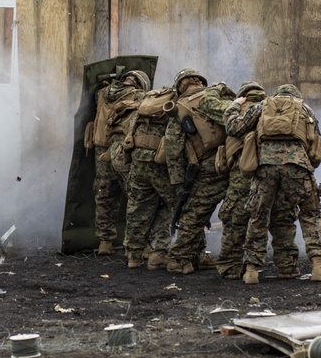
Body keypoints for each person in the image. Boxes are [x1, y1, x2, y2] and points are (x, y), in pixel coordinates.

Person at [225, 83, 321, 284]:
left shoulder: (263, 106)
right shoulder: (306, 109)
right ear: (296, 96)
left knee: (258, 216)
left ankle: (251, 271)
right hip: (297, 165)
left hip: (264, 166)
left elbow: (233, 128)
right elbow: (315, 147)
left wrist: (234, 106)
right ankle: (319, 267)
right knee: (310, 214)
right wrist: (306, 168)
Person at [162, 69, 234, 274]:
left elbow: (173, 149)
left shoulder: (179, 108)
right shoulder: (218, 96)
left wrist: (178, 183)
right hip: (232, 161)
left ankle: (177, 258)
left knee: (194, 212)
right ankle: (199, 256)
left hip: (208, 165)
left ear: (180, 87)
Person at [89, 70, 150, 256]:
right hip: (122, 150)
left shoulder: (101, 93)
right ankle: (141, 244)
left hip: (101, 150)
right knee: (136, 196)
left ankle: (105, 242)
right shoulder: (140, 96)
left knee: (105, 195)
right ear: (140, 84)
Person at [215, 81, 266, 280]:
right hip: (266, 172)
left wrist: (234, 105)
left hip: (241, 173)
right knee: (272, 218)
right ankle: (286, 265)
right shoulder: (271, 109)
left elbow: (231, 128)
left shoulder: (239, 110)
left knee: (235, 218)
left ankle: (230, 267)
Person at [122, 83, 177, 269]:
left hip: (138, 160)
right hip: (160, 164)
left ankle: (134, 256)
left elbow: (128, 129)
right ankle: (158, 254)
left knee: (137, 208)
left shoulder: (145, 104)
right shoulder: (177, 104)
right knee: (175, 206)